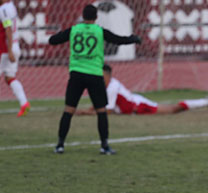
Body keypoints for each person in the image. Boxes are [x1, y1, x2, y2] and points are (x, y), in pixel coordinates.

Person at [48, 4, 141, 155]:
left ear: (82, 16)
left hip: (76, 74)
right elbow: (118, 40)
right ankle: (104, 146)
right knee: (101, 111)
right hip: (94, 74)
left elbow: (53, 40)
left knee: (69, 110)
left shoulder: (74, 29)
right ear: (96, 17)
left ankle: (60, 145)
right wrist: (133, 38)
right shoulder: (99, 31)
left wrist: (56, 36)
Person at [75, 64, 208, 116]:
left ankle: (206, 102)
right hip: (135, 105)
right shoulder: (104, 86)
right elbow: (100, 104)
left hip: (140, 106)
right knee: (171, 109)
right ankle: (205, 102)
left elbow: (109, 110)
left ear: (108, 76)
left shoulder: (112, 86)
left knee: (172, 110)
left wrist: (86, 113)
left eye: (102, 76)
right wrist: (87, 110)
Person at [0, 0, 30, 117]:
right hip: (14, 45)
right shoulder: (11, 6)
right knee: (10, 78)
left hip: (5, 48)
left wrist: (10, 50)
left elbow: (8, 28)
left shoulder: (4, 9)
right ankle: (24, 103)